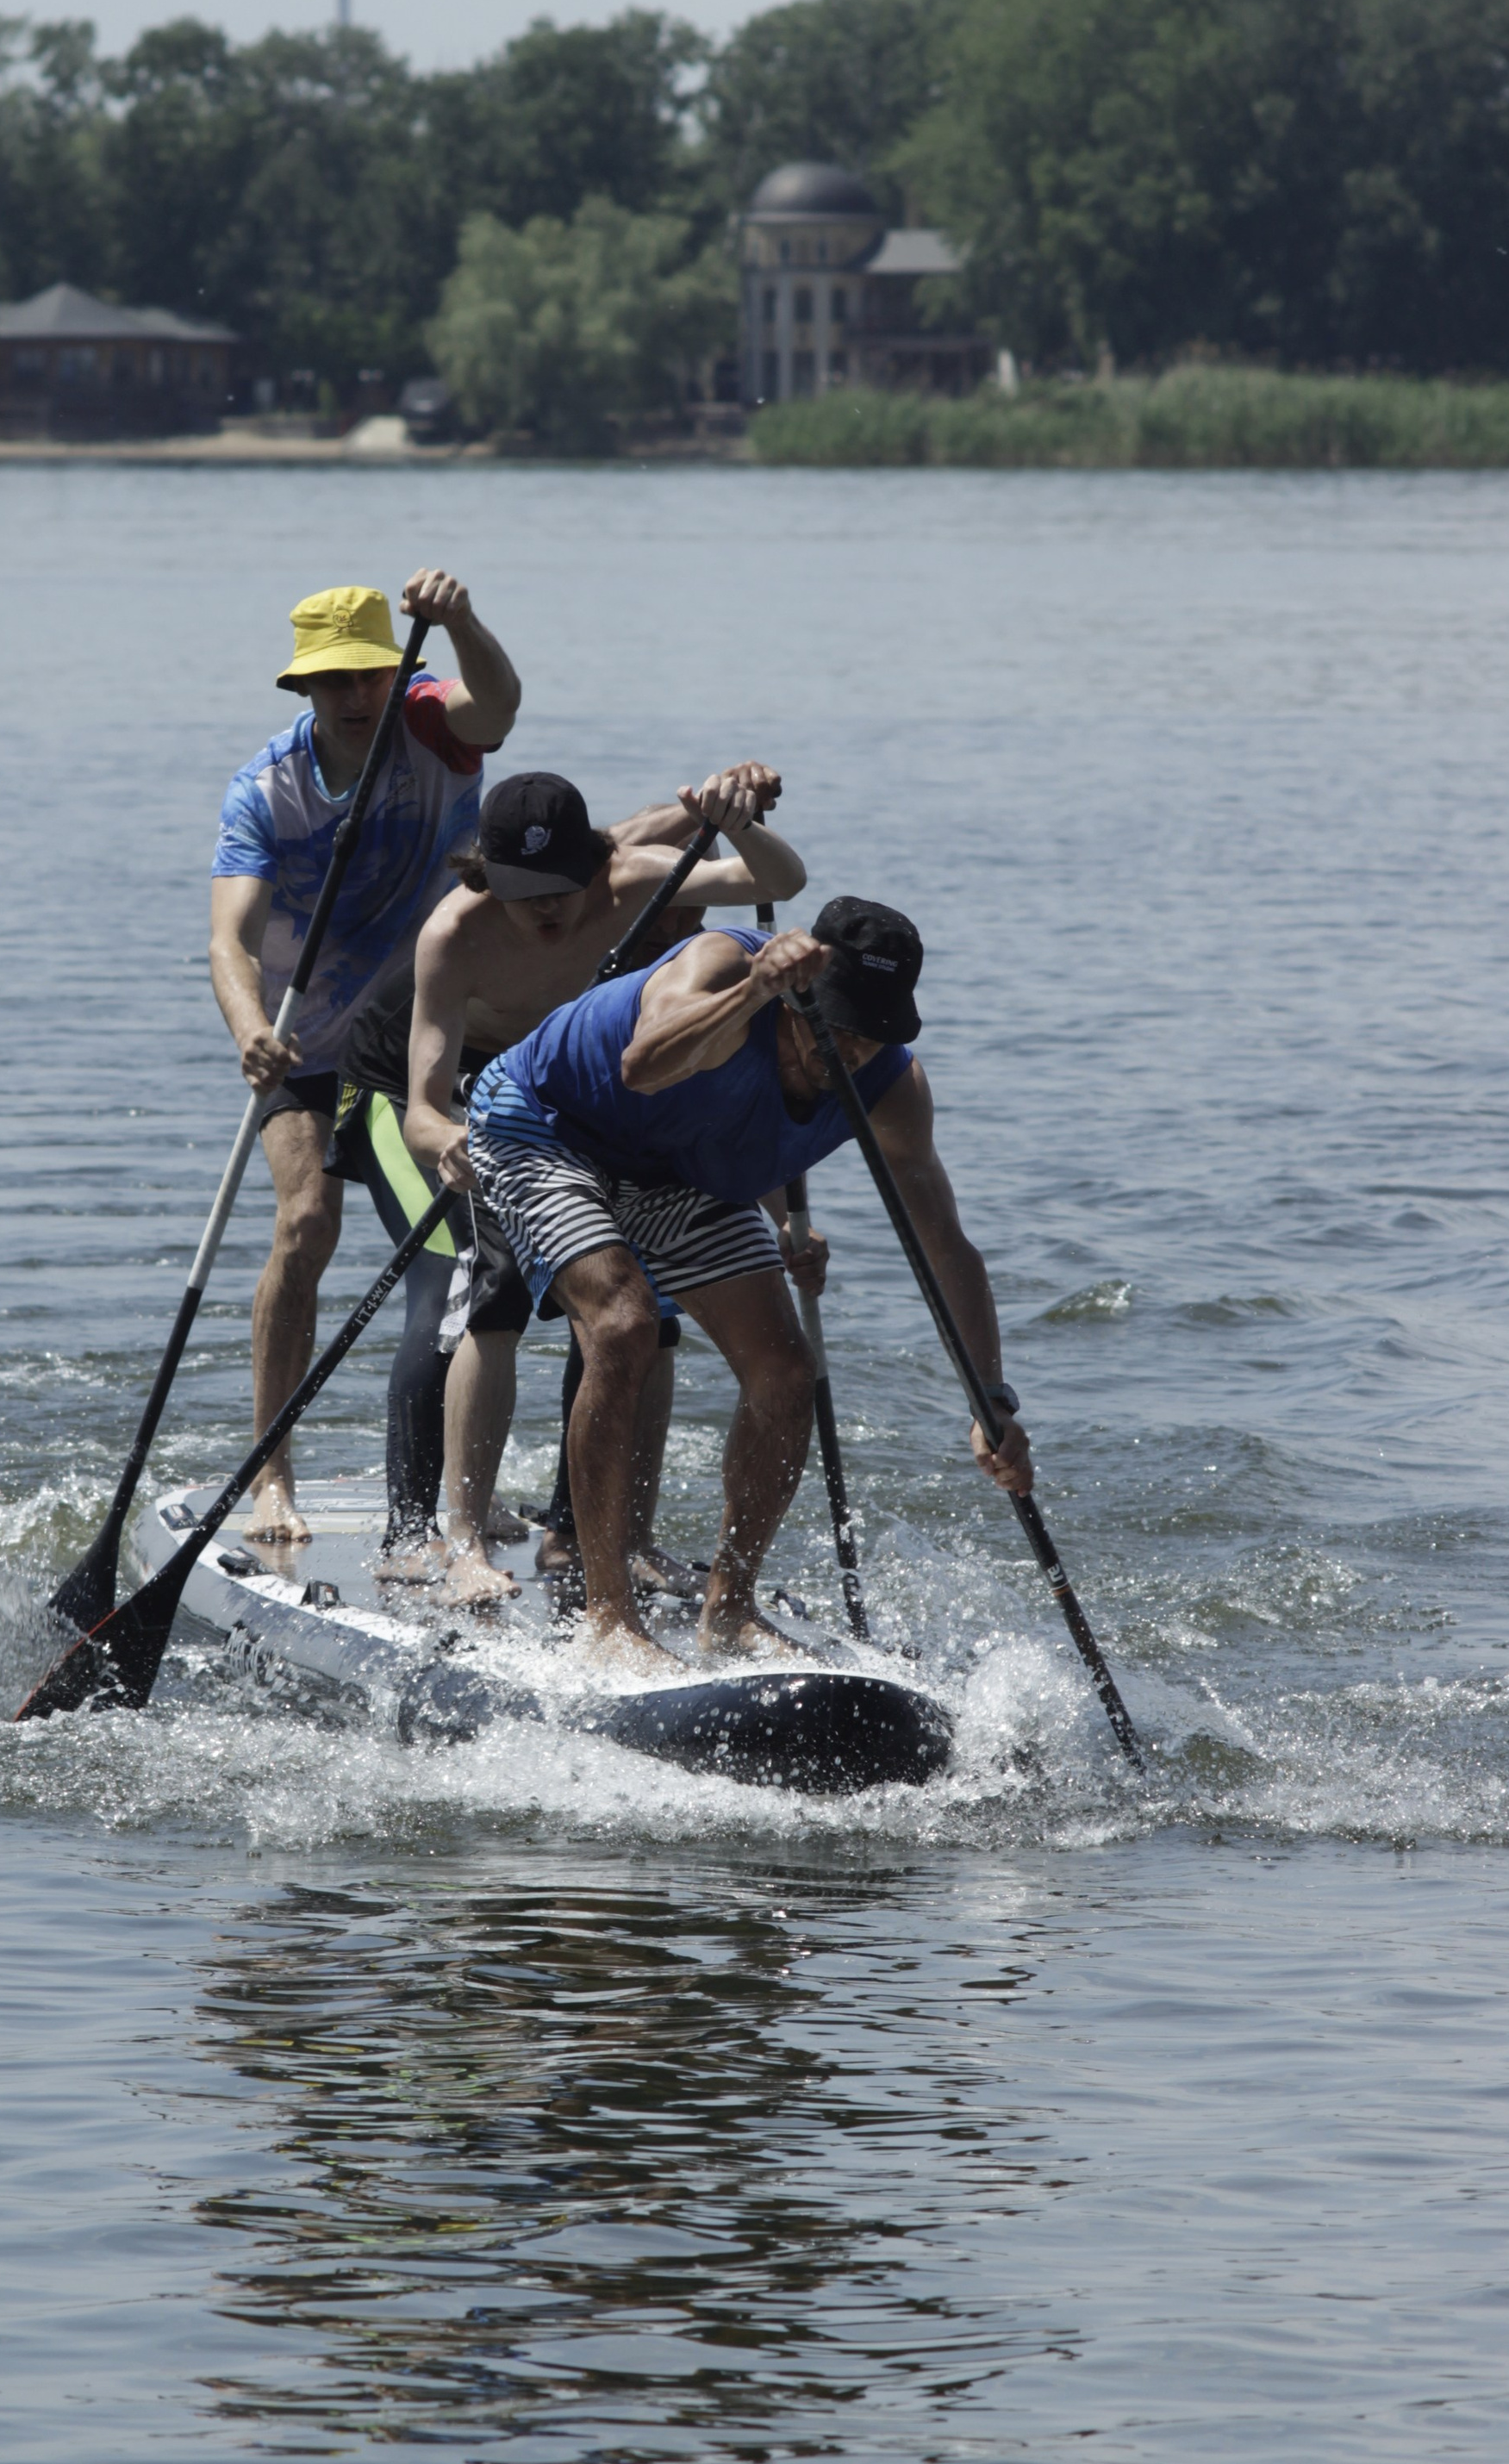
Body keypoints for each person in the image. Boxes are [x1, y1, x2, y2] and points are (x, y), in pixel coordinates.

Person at [462, 898, 1035, 1668]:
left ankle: (729, 1609)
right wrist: (754, 991)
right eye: (835, 1027)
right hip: (546, 1127)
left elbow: (947, 1248)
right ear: (798, 994)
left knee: (787, 1374)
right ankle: (608, 1622)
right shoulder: (721, 967)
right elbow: (643, 1067)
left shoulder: (893, 1088)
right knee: (625, 1325)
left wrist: (989, 1399)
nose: (850, 1053)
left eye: (872, 1035)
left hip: (677, 1167)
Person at [393, 763, 807, 1600]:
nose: (546, 909)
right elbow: (421, 1110)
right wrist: (449, 1143)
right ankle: (463, 1542)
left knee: (643, 1317)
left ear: (593, 863)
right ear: (486, 876)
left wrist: (736, 820)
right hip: (495, 1097)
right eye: (522, 893)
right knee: (497, 1302)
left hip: (597, 1092)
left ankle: (615, 1540)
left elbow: (779, 881)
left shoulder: (632, 878)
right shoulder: (453, 934)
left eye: (561, 887)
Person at [209, 570, 520, 1542]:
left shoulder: (430, 724)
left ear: (396, 672)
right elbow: (229, 940)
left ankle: (459, 1491)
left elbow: (499, 710)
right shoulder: (266, 790)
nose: (354, 696)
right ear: (303, 684)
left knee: (467, 1247)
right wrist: (250, 1030)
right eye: (333, 679)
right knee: (307, 1225)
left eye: (369, 675)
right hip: (300, 1039)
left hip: (422, 1037)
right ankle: (271, 1475)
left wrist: (461, 620)